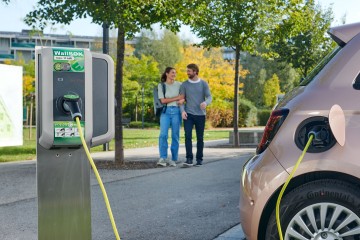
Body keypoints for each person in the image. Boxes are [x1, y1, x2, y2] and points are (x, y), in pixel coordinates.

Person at [180, 63, 212, 167]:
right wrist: (182, 111)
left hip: (200, 115)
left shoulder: (203, 84)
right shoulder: (184, 85)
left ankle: (199, 159)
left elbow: (209, 97)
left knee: (200, 138)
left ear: (195, 72)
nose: (187, 73)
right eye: (187, 71)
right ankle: (189, 159)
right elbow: (181, 100)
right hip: (188, 114)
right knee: (188, 136)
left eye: (189, 71)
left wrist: (205, 103)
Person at [157, 67, 183, 167]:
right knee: (163, 135)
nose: (174, 75)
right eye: (172, 73)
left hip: (176, 111)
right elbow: (162, 101)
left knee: (175, 136)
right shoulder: (161, 85)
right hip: (165, 112)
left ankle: (174, 159)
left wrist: (179, 99)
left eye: (175, 73)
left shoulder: (179, 84)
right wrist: (177, 98)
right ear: (167, 74)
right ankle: (163, 157)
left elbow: (183, 97)